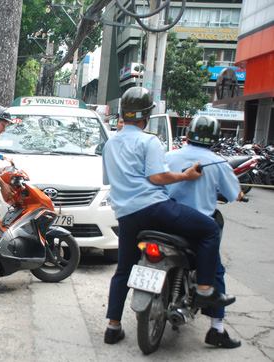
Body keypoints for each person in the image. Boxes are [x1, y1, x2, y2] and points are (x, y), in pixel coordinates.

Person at [102, 87, 235, 345]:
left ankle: (113, 326)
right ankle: (206, 289)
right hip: (155, 210)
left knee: (123, 269)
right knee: (208, 229)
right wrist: (185, 176)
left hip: (126, 216)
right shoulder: (149, 141)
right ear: (146, 116)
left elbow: (109, 180)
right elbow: (157, 177)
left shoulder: (110, 143)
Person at [166, 115, 242, 348]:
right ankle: (216, 328)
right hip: (198, 225)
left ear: (188, 134)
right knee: (216, 269)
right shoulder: (218, 163)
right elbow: (231, 194)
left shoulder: (168, 156)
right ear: (216, 138)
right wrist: (239, 194)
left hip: (164, 219)